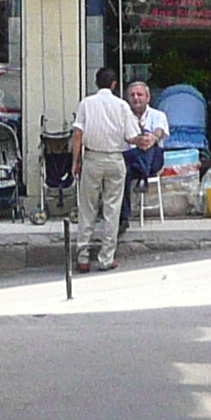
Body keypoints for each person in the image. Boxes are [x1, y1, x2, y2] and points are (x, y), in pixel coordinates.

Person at [71, 70, 140, 272]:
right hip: (115, 159)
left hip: (92, 158)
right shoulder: (122, 106)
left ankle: (83, 256)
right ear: (114, 84)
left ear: (96, 83)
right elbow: (131, 136)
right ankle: (106, 257)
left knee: (87, 208)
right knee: (112, 209)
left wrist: (75, 161)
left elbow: (77, 133)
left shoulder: (86, 103)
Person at [119, 79, 172, 238]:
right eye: (133, 95)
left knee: (148, 138)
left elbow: (160, 131)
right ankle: (123, 218)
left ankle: (143, 174)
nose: (136, 98)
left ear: (147, 97)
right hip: (130, 159)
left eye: (140, 95)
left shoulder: (158, 115)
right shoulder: (124, 116)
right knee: (122, 174)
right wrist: (139, 141)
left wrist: (152, 138)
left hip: (153, 159)